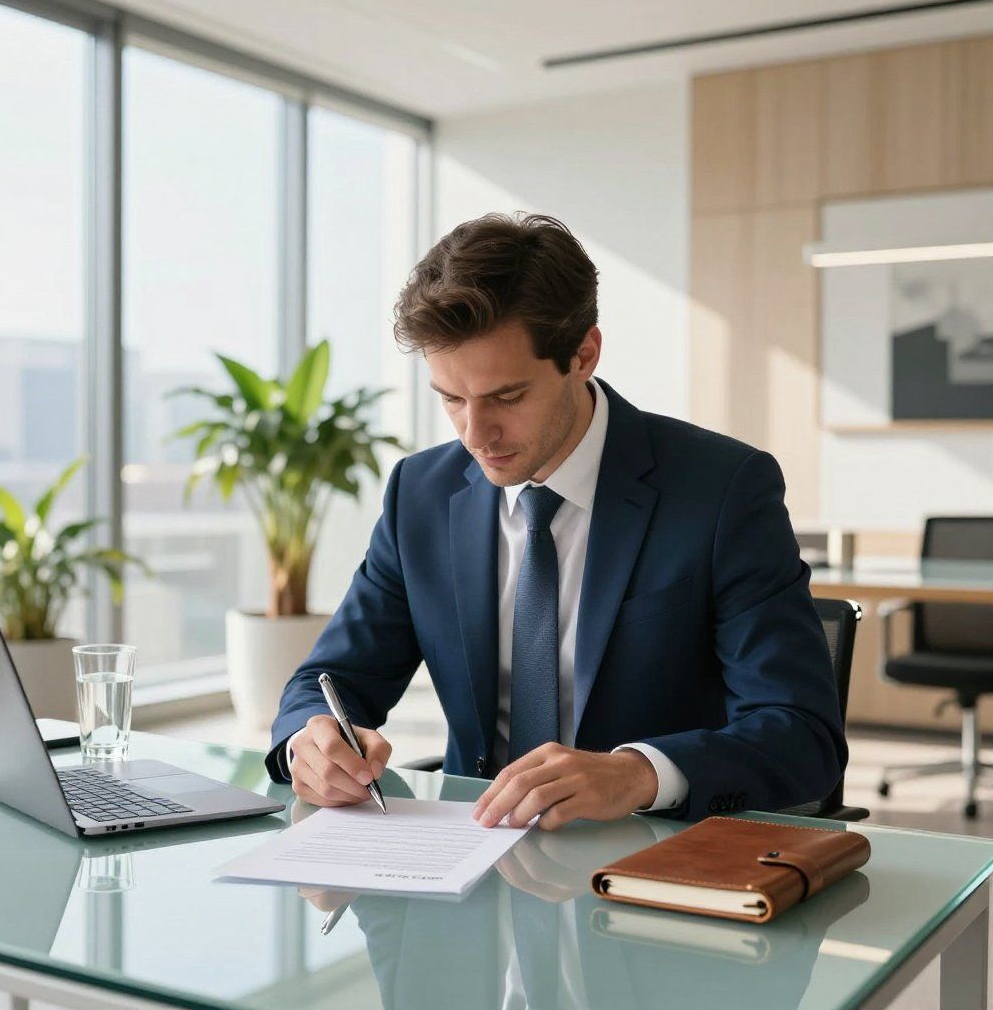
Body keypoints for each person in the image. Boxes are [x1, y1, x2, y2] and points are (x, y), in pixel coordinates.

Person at [265, 212, 846, 827]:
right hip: (466, 866)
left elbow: (801, 734)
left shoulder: (722, 490)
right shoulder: (421, 493)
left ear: (584, 354)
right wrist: (310, 740)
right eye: (451, 399)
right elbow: (331, 678)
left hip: (651, 865)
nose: (475, 435)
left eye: (507, 398)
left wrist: (638, 773)